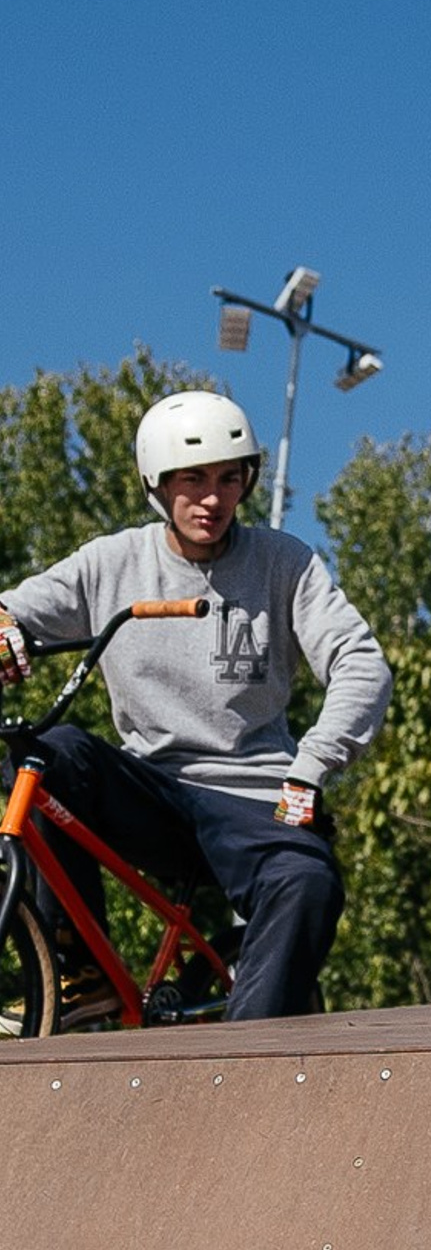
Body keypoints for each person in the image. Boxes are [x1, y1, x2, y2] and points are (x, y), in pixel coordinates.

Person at [0, 390, 392, 1021]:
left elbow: (361, 661)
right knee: (50, 757)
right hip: (152, 794)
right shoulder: (112, 562)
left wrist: (313, 765)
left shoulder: (282, 563)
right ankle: (81, 975)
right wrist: (5, 626)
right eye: (193, 480)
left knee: (309, 881)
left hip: (256, 800)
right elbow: (16, 607)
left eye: (228, 480)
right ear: (157, 484)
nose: (212, 499)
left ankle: (241, 1067)